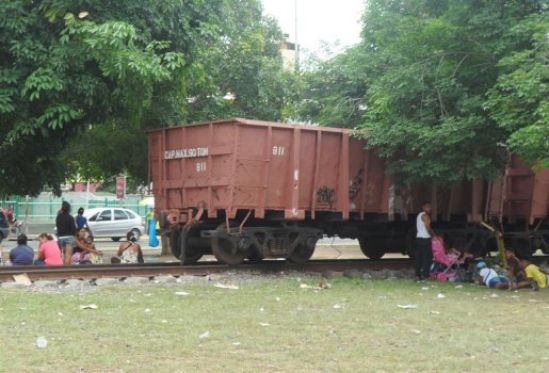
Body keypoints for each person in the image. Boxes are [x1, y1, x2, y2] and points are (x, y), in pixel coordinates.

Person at [415, 201, 435, 281]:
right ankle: (426, 275)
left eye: (430, 207)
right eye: (428, 207)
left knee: (419, 257)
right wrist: (434, 235)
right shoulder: (425, 216)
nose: (429, 208)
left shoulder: (419, 215)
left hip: (419, 238)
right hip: (425, 239)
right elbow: (428, 228)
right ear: (423, 207)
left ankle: (417, 275)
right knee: (428, 257)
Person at [56, 201, 77, 265]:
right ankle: (66, 271)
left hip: (60, 238)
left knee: (64, 255)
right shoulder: (70, 218)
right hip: (69, 238)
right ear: (69, 209)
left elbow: (57, 226)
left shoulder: (58, 217)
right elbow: (74, 229)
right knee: (68, 255)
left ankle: (64, 269)